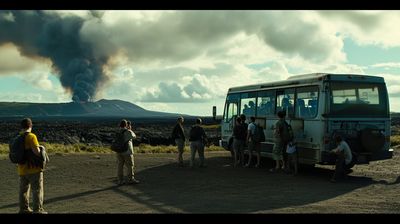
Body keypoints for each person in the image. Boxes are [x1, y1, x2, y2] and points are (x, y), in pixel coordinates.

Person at [17, 118, 47, 214]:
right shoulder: (31, 136)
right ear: (30, 126)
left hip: (22, 169)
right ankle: (38, 210)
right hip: (33, 169)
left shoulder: (18, 137)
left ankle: (23, 209)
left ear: (22, 127)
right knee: (37, 190)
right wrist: (42, 149)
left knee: (23, 191)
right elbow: (37, 152)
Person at [116, 119, 139, 185]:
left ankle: (120, 180)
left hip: (119, 151)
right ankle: (130, 179)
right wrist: (130, 129)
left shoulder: (118, 131)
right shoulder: (127, 131)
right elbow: (134, 136)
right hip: (127, 151)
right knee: (130, 165)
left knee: (120, 166)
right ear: (126, 125)